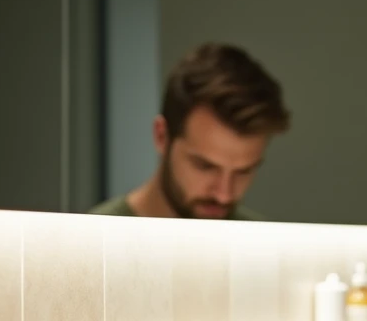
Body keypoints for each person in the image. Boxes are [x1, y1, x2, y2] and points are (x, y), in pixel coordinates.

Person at [92, 43, 290, 220]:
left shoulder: (262, 248)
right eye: (204, 166)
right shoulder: (87, 247)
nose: (224, 195)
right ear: (162, 136)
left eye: (243, 172)